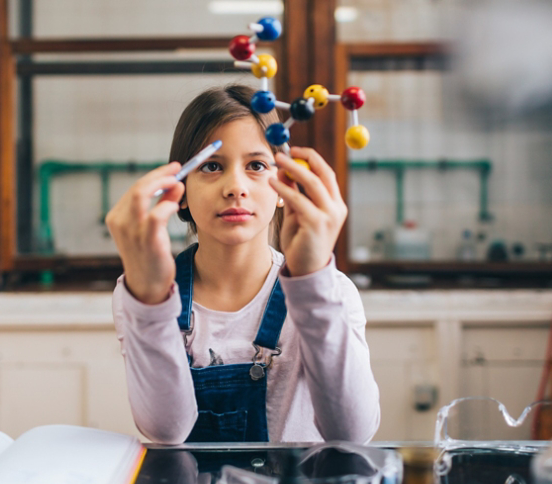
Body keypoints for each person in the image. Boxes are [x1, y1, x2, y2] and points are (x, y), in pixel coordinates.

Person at [106, 84, 380, 444]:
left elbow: (353, 433)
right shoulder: (142, 293)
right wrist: (150, 298)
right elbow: (166, 431)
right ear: (181, 191)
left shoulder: (333, 290)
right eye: (212, 166)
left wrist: (313, 283)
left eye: (256, 165)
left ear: (285, 185)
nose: (235, 186)